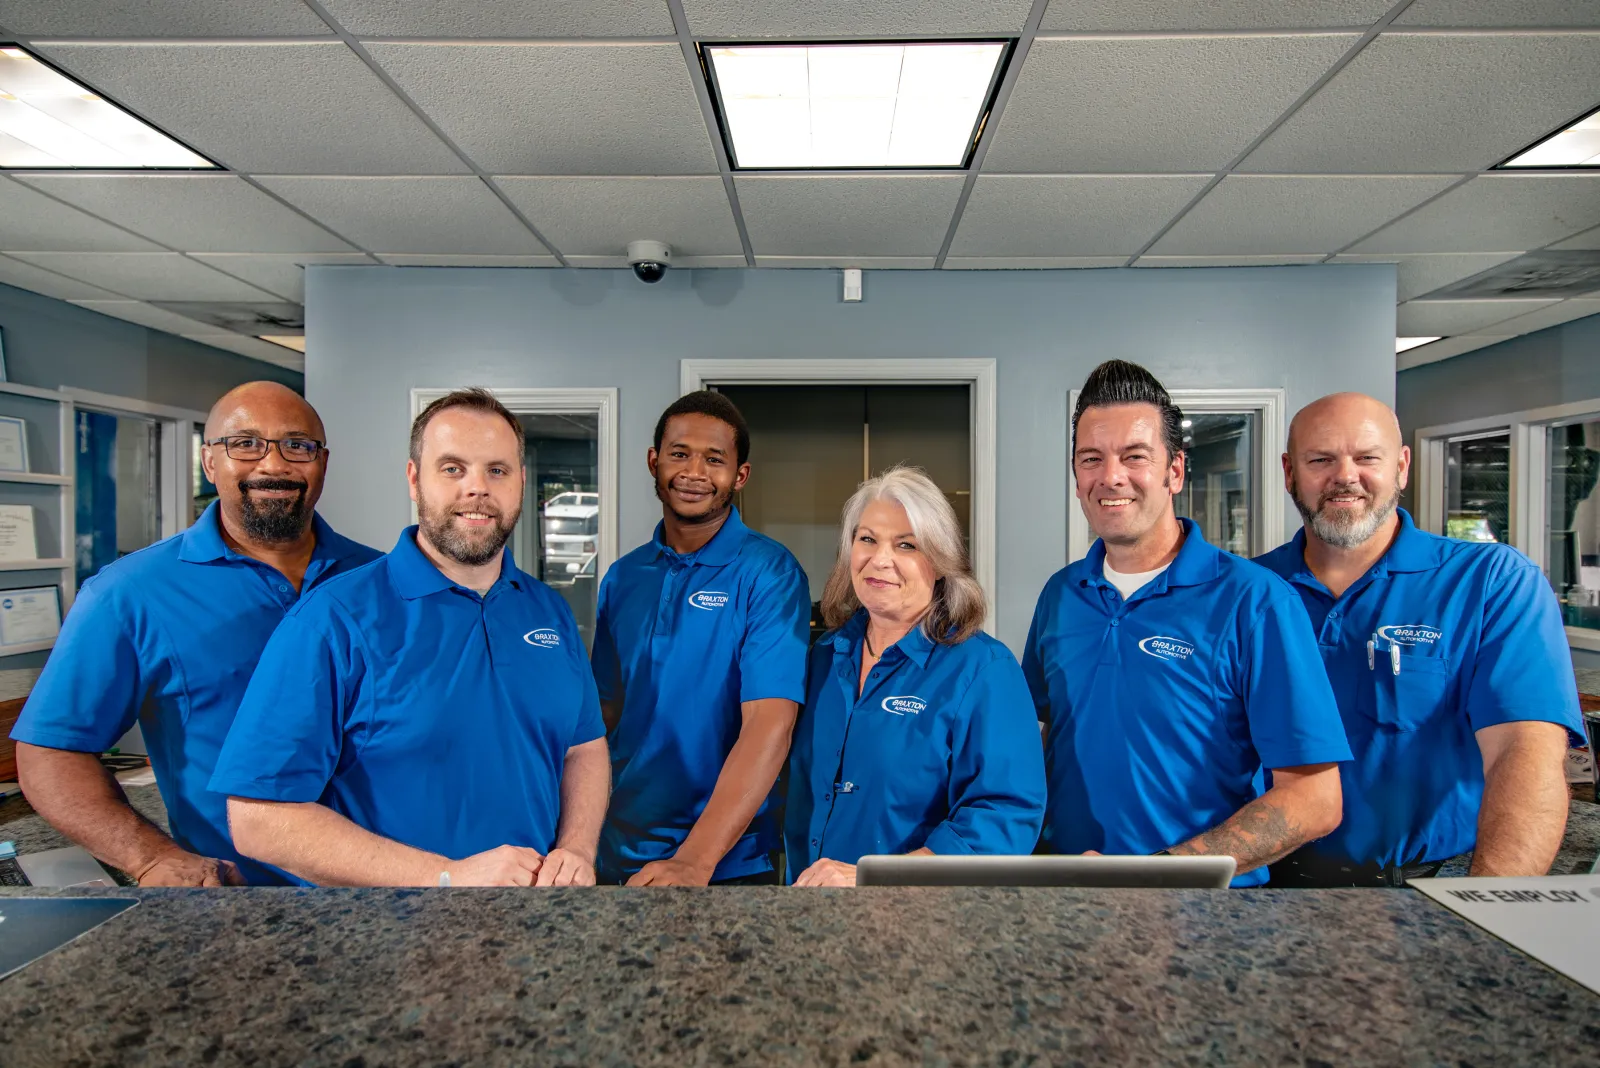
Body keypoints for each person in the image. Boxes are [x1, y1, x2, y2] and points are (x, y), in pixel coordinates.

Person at [209, 388, 609, 887]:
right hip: (390, 938)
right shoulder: (333, 620)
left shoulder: (547, 610)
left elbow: (584, 748)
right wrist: (446, 875)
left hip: (536, 925)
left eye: (497, 471)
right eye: (453, 468)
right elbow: (258, 818)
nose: (477, 489)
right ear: (415, 480)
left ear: (521, 483)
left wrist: (575, 848)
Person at [10, 382, 379, 886]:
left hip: (401, 879)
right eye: (245, 444)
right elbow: (51, 750)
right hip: (243, 897)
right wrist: (150, 857)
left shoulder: (383, 579)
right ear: (209, 462)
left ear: (322, 463)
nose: (273, 465)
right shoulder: (129, 594)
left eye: (298, 445)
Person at [1022, 360, 1352, 886]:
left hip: (1203, 915)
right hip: (1067, 897)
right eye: (1092, 459)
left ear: (1175, 470)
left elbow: (1315, 799)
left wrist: (1161, 874)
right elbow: (1040, 739)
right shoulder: (1061, 595)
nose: (1111, 477)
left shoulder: (1257, 602)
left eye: (1135, 457)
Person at [1257, 393, 1584, 886]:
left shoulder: (1490, 582)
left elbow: (1525, 752)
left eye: (1367, 458)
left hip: (1427, 887)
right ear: (1289, 472)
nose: (1345, 476)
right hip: (1263, 886)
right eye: (1321, 459)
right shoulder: (1246, 591)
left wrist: (1488, 909)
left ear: (1402, 467)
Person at [785, 466, 1045, 886]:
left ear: (941, 562)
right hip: (808, 912)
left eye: (906, 545)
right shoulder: (823, 659)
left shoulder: (984, 671)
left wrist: (878, 879)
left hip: (921, 923)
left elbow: (1004, 816)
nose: (880, 559)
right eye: (867, 539)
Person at [591, 391, 809, 885]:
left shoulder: (769, 572)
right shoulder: (623, 578)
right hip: (617, 848)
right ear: (654, 461)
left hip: (726, 860)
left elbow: (769, 726)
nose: (694, 472)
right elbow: (602, 717)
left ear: (740, 475)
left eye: (714, 459)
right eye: (679, 453)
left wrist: (696, 858)